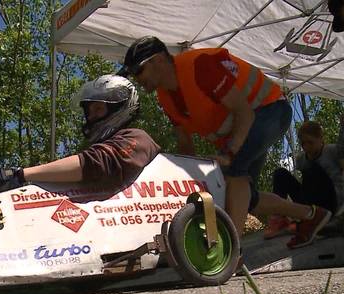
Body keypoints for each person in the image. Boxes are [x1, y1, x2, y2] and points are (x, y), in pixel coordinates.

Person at [118, 36, 331, 249]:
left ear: (158, 61)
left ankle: (231, 249)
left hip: (270, 110)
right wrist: (187, 184)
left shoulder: (200, 66)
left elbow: (244, 113)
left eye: (139, 71)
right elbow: (185, 145)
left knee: (234, 173)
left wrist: (230, 154)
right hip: (245, 131)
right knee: (245, 197)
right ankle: (311, 214)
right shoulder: (165, 98)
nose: (137, 79)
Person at [0, 74, 161, 196]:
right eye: (89, 111)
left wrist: (20, 174)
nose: (91, 117)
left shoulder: (138, 138)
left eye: (98, 109)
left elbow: (98, 163)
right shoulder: (100, 146)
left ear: (120, 108)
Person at [265, 119, 344, 238]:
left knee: (313, 169)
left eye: (310, 142)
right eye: (303, 144)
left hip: (332, 202)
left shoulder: (332, 151)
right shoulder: (301, 159)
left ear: (321, 139)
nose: (306, 147)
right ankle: (280, 218)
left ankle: (320, 218)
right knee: (280, 173)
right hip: (311, 202)